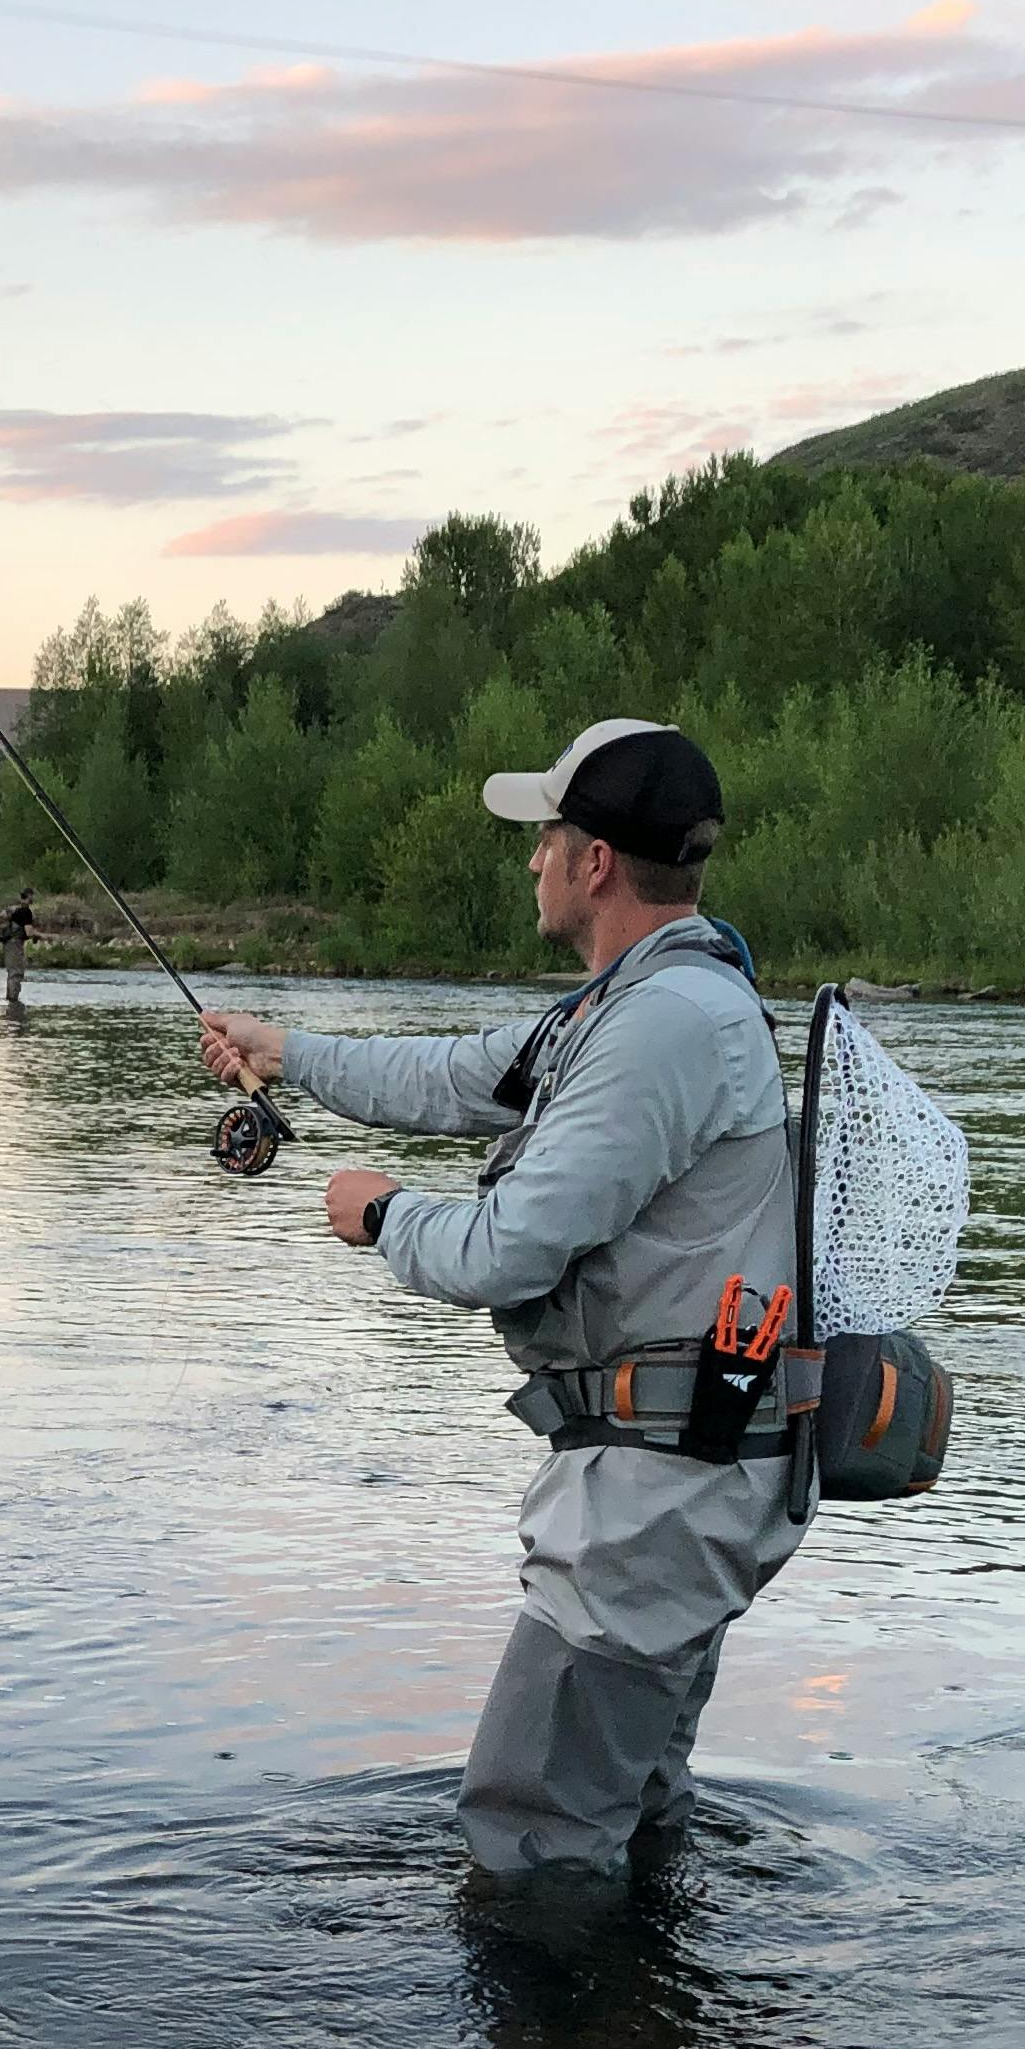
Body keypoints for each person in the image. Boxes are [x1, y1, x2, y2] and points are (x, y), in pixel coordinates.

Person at [198, 720, 808, 1878]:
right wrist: (286, 1049)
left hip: (651, 1506)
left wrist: (380, 1215)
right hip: (669, 1484)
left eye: (543, 837)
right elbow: (455, 1072)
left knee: (526, 1850)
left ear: (593, 863)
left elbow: (505, 1251)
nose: (529, 860)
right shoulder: (637, 1002)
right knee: (623, 1835)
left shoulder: (665, 1026)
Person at [0, 886, 36, 1006]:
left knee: (11, 973)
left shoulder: (13, 909)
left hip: (7, 944)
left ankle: (10, 1003)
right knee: (16, 973)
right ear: (29, 896)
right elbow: (29, 933)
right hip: (15, 944)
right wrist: (44, 936)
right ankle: (13, 1001)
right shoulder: (26, 912)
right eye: (32, 896)